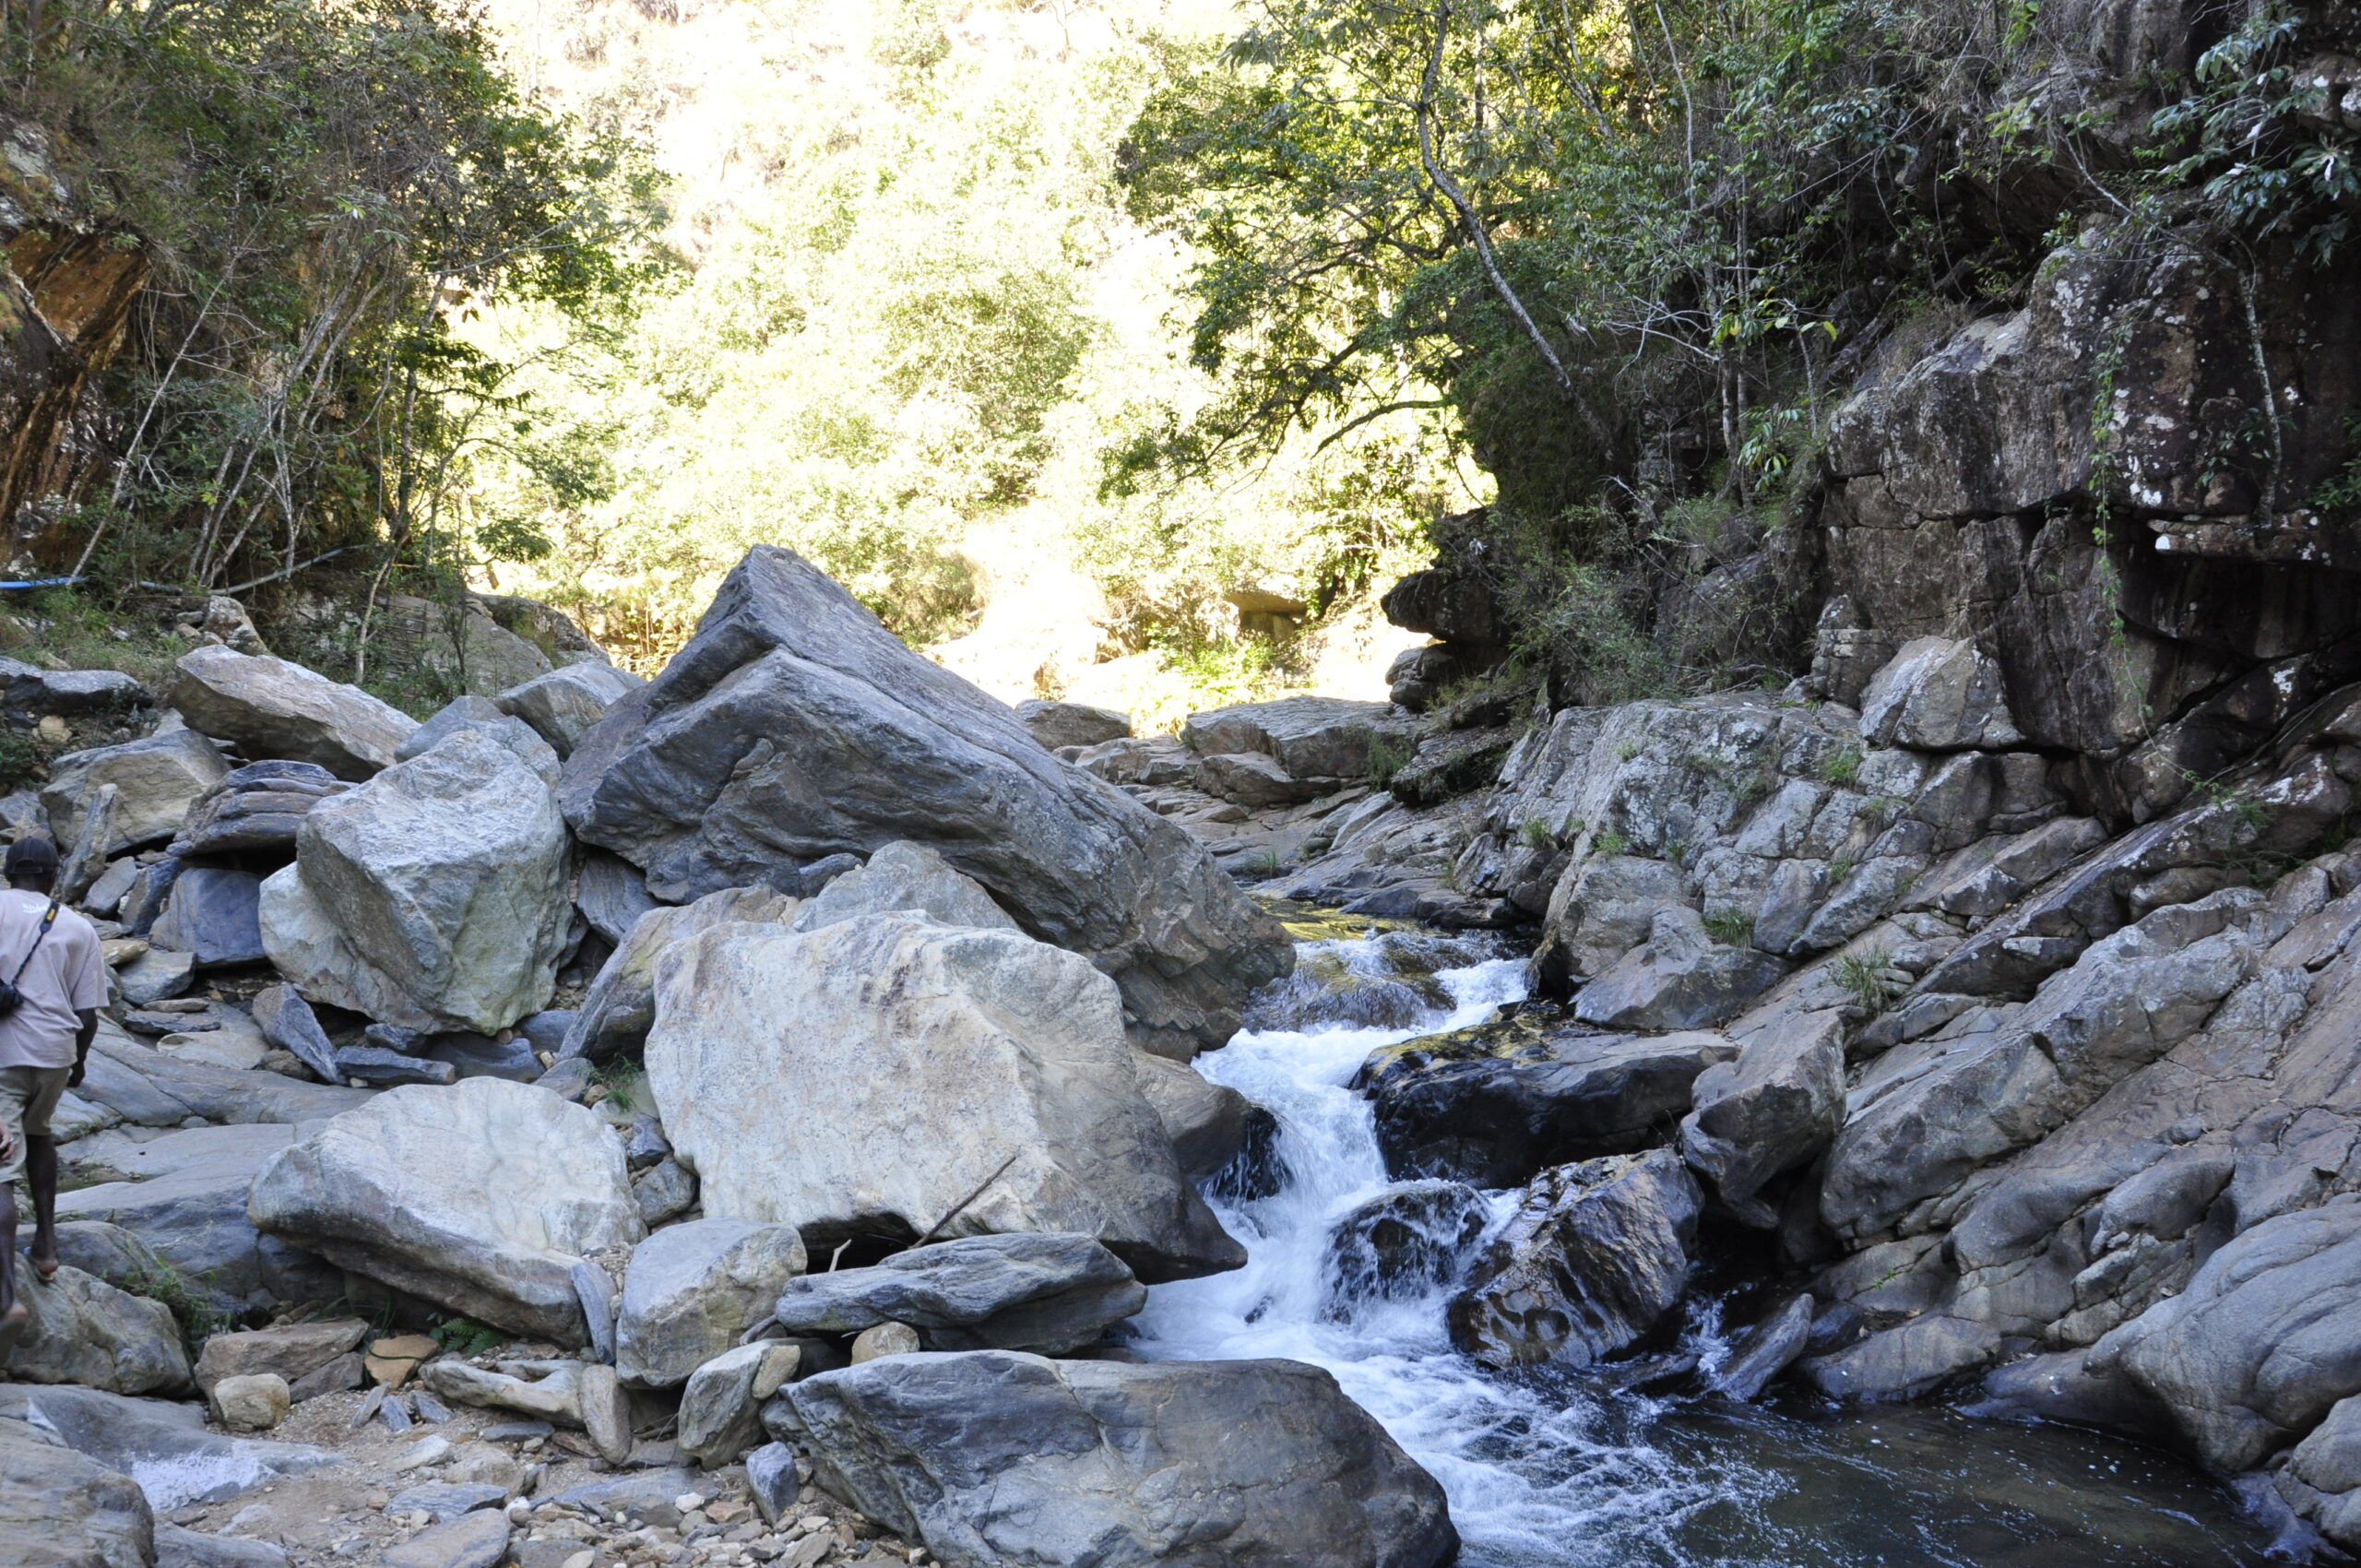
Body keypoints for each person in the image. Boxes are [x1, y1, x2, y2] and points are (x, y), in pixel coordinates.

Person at [0, 836, 104, 1330]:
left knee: (0, 1169)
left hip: (4, 1056)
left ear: (6, 873)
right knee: (38, 1133)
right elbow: (88, 1014)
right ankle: (46, 1246)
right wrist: (77, 1065)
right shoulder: (78, 926)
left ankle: (6, 1297)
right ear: (53, 876)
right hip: (55, 1053)